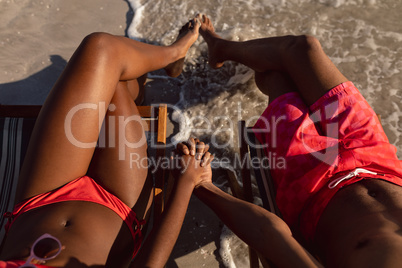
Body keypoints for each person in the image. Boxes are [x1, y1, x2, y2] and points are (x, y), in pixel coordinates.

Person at [178, 14, 402, 268]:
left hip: (311, 185)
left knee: (276, 78)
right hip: (378, 160)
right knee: (303, 47)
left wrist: (203, 186)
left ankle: (225, 52)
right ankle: (222, 48)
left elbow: (270, 234)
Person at [0, 17, 214, 268]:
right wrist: (185, 183)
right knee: (116, 82)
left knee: (99, 48)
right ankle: (158, 68)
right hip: (116, 204)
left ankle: (173, 54)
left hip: (42, 198)